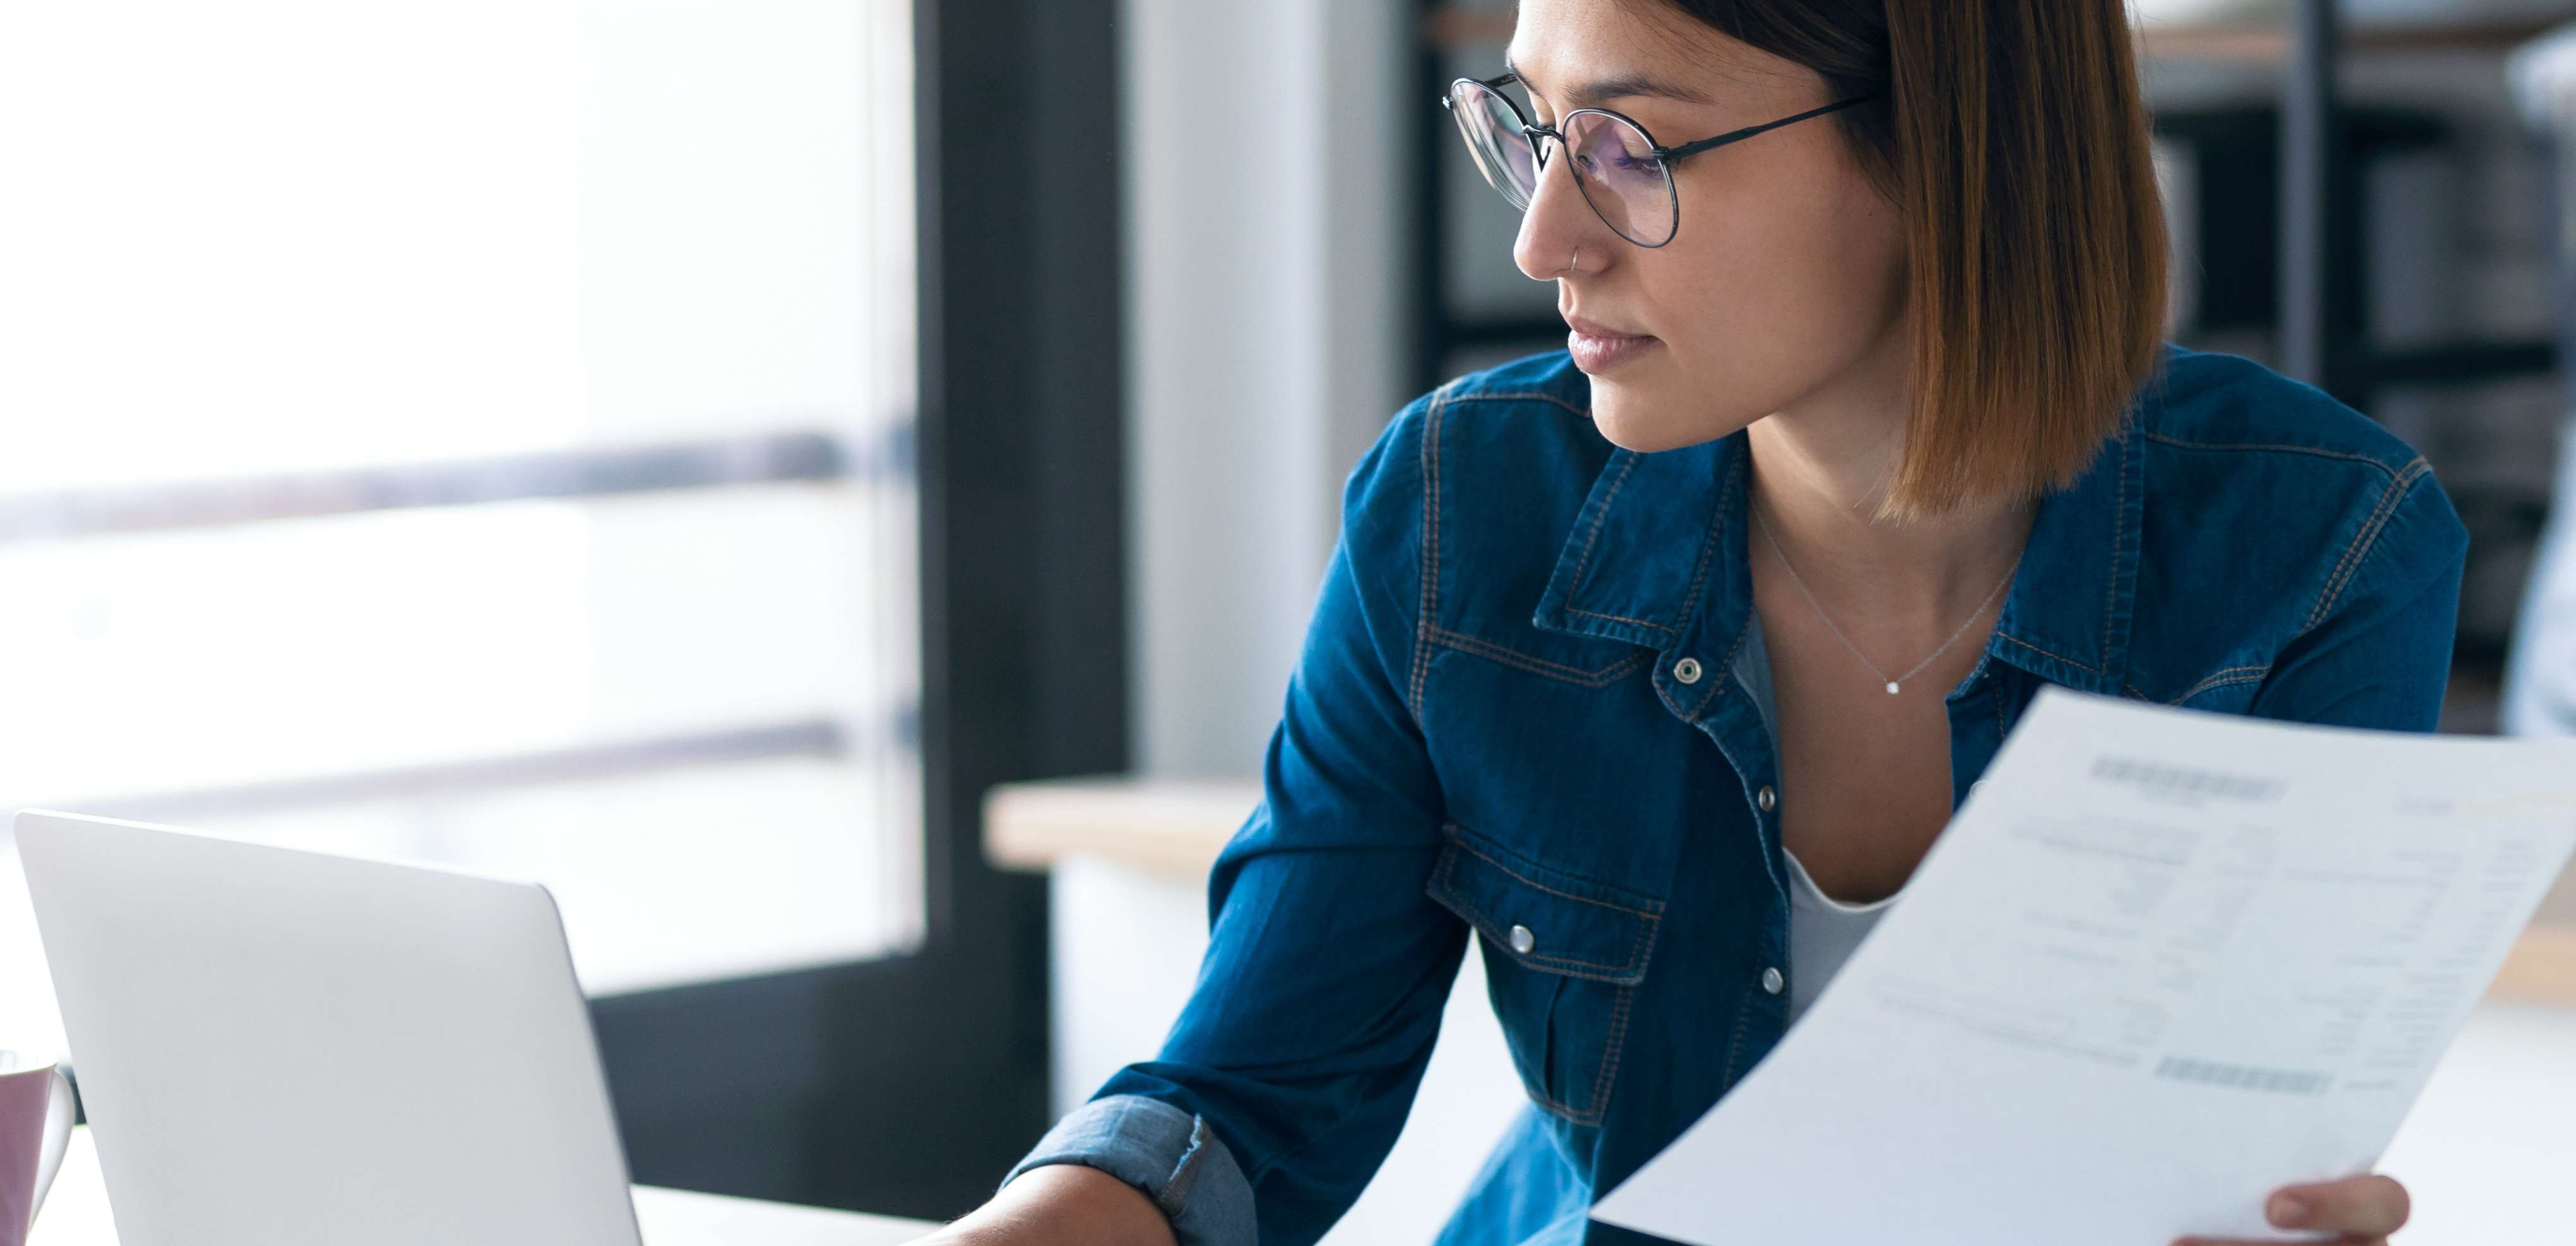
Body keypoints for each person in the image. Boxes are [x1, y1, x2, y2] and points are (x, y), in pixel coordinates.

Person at [916, 0, 2462, 1242]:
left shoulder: (2321, 551)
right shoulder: (1460, 506)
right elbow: (1247, 1108)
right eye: (1529, 127)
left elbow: (2215, 1171)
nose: (1544, 240)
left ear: (1943, 150)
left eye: (1634, 144)